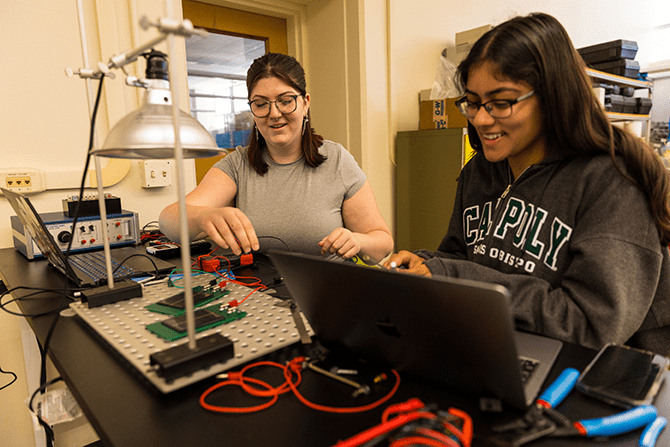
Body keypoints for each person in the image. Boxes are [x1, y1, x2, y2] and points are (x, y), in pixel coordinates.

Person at [385, 13, 670, 354]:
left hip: (595, 378)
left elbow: (590, 325)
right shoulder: (480, 170)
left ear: (553, 95)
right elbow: (462, 256)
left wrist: (453, 275)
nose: (480, 119)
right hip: (504, 349)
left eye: (501, 103)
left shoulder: (613, 181)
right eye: (473, 103)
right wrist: (423, 264)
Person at [159, 53, 393, 263]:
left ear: (305, 103)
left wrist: (358, 241)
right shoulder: (238, 164)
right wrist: (203, 216)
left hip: (327, 292)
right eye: (261, 104)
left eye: (285, 101)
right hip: (261, 295)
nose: (274, 113)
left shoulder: (337, 160)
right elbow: (168, 220)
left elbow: (383, 243)